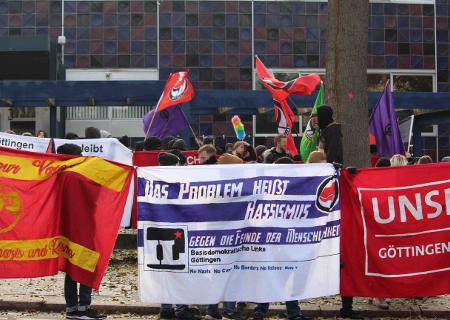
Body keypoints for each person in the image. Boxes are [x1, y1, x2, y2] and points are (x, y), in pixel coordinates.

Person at [57, 143, 106, 320]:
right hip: (83, 228)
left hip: (64, 228)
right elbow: (98, 192)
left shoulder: (57, 174)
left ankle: (71, 308)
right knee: (86, 265)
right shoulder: (81, 175)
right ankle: (84, 308)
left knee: (70, 269)